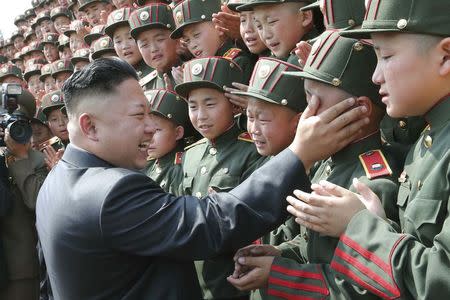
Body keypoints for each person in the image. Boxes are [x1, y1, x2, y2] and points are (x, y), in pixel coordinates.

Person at [36, 57, 368, 300]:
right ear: (90, 126)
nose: (152, 126)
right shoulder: (109, 192)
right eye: (139, 115)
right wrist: (300, 154)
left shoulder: (56, 183)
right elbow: (212, 223)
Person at [234, 1, 450, 299]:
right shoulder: (427, 142)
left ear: (446, 56)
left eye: (386, 56)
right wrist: (284, 257)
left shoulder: (382, 170)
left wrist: (358, 226)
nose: (376, 77)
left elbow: (437, 280)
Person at [0, 89, 48, 300]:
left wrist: (20, 159)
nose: (13, 130)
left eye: (18, 123)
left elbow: (39, 204)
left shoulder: (40, 160)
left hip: (23, 269)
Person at [172, 0, 256, 83]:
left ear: (219, 27)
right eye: (187, 40)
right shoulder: (198, 67)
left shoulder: (236, 63)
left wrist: (193, 86)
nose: (193, 45)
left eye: (196, 35)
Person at [143, 89, 191, 195]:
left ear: (178, 133)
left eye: (156, 130)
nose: (148, 138)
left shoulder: (184, 169)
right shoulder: (144, 166)